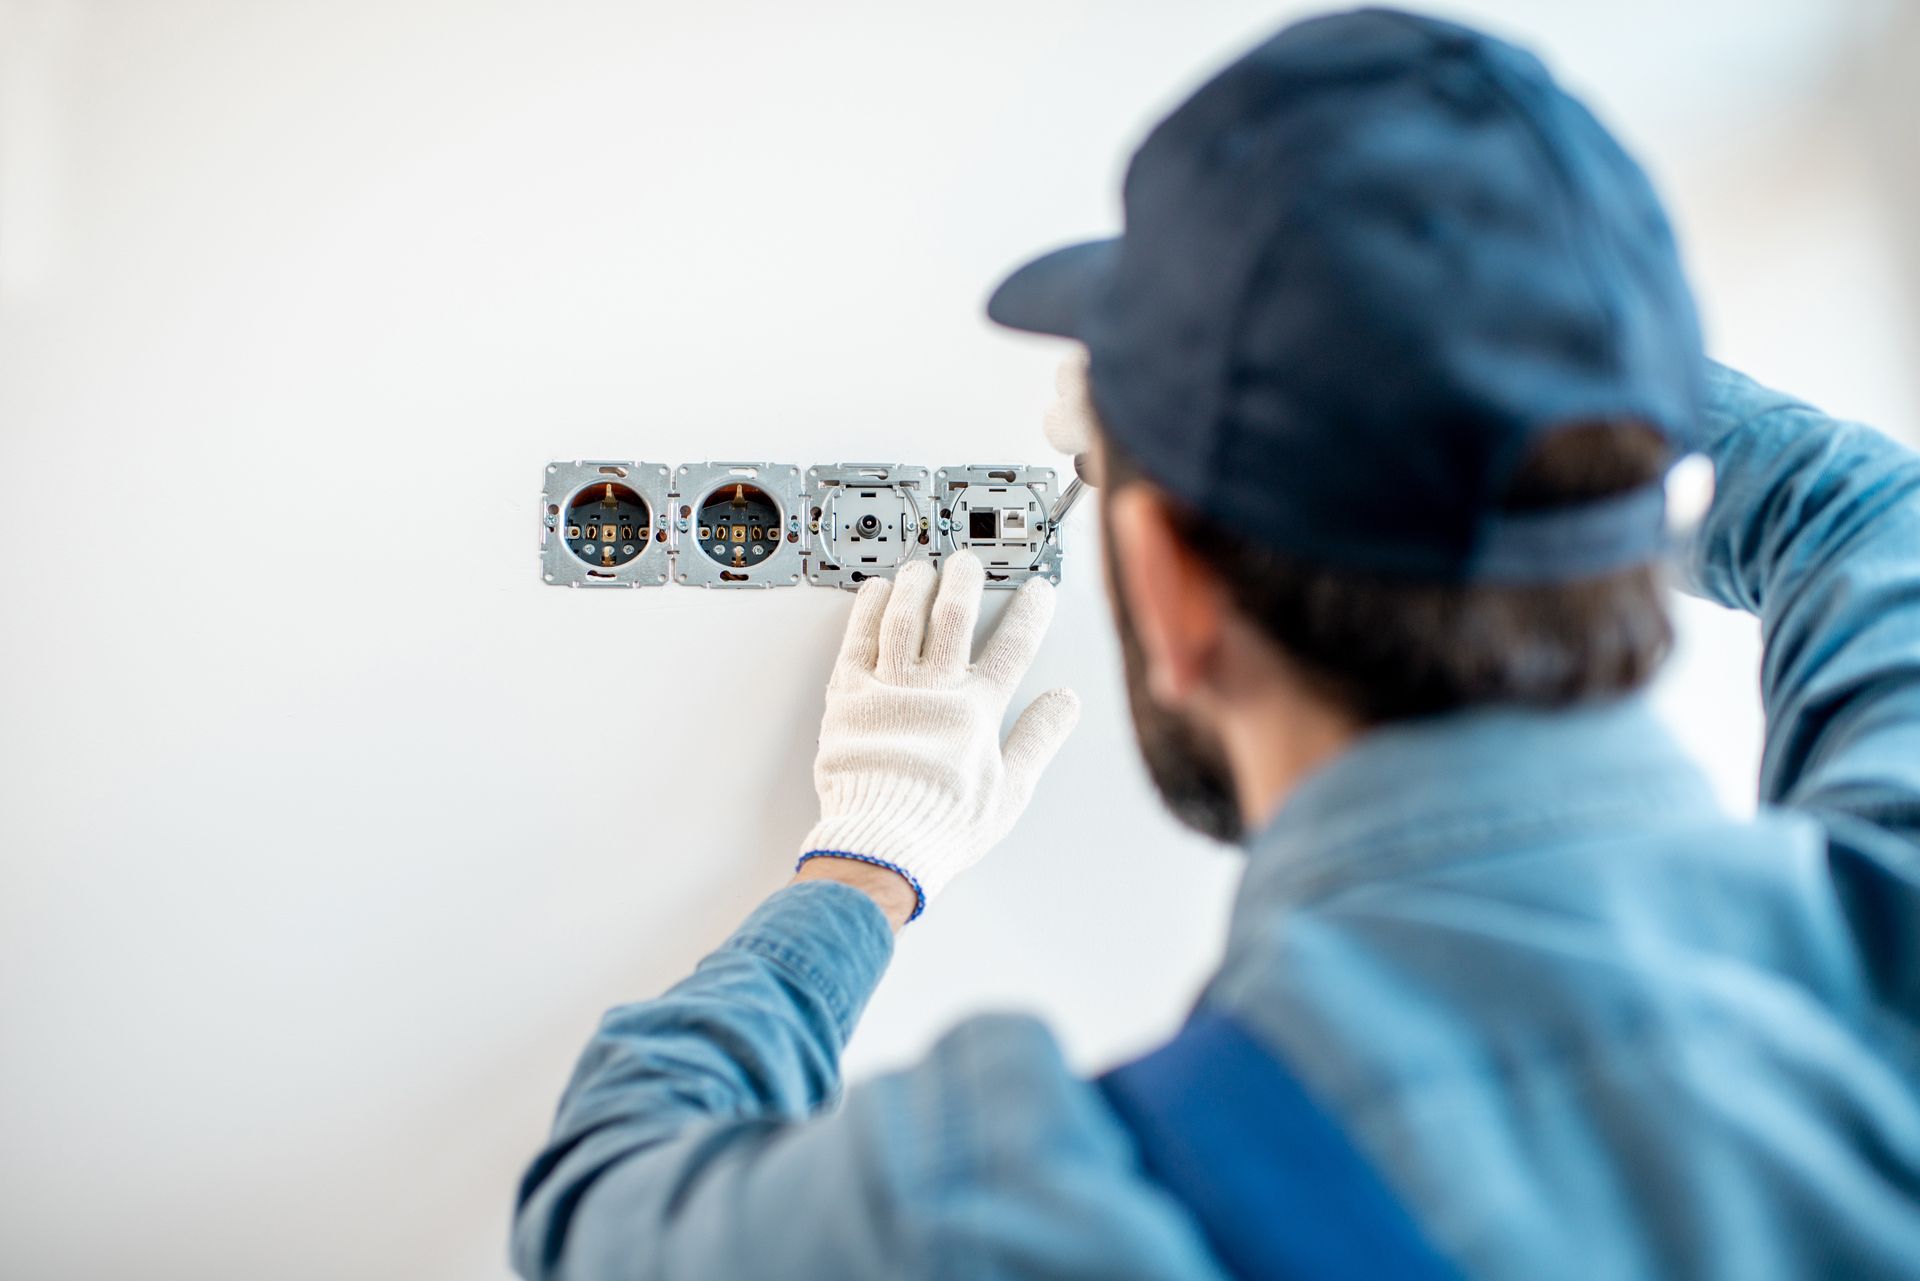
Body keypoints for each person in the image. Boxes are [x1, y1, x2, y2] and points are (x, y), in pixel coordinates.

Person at [511, 9, 1920, 1279]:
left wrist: (866, 860)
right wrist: (1508, 402)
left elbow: (602, 1207)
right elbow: (1861, 510)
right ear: (1650, 480)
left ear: (1168, 587)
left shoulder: (1037, 1220)